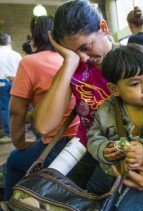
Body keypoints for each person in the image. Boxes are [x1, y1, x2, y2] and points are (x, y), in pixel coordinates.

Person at [33, 0, 143, 197]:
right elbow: (44, 126)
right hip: (88, 144)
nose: (83, 58)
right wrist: (69, 61)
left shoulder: (137, 63)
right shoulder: (76, 66)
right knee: (49, 195)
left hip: (130, 151)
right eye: (73, 52)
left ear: (103, 27)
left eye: (86, 47)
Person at [86, 43, 143, 210]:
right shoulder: (107, 109)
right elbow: (93, 136)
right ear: (114, 89)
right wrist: (103, 149)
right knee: (89, 201)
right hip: (107, 173)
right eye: (135, 84)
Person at [4, 15, 80, 201]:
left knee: (13, 161)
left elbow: (16, 111)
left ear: (35, 37)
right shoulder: (73, 58)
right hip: (83, 138)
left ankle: (11, 204)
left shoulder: (29, 62)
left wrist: (20, 143)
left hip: (58, 143)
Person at [0, 33, 22, 143]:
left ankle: (9, 134)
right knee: (18, 107)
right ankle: (20, 131)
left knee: (4, 109)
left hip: (1, 83)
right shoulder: (16, 54)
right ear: (10, 42)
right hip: (15, 81)